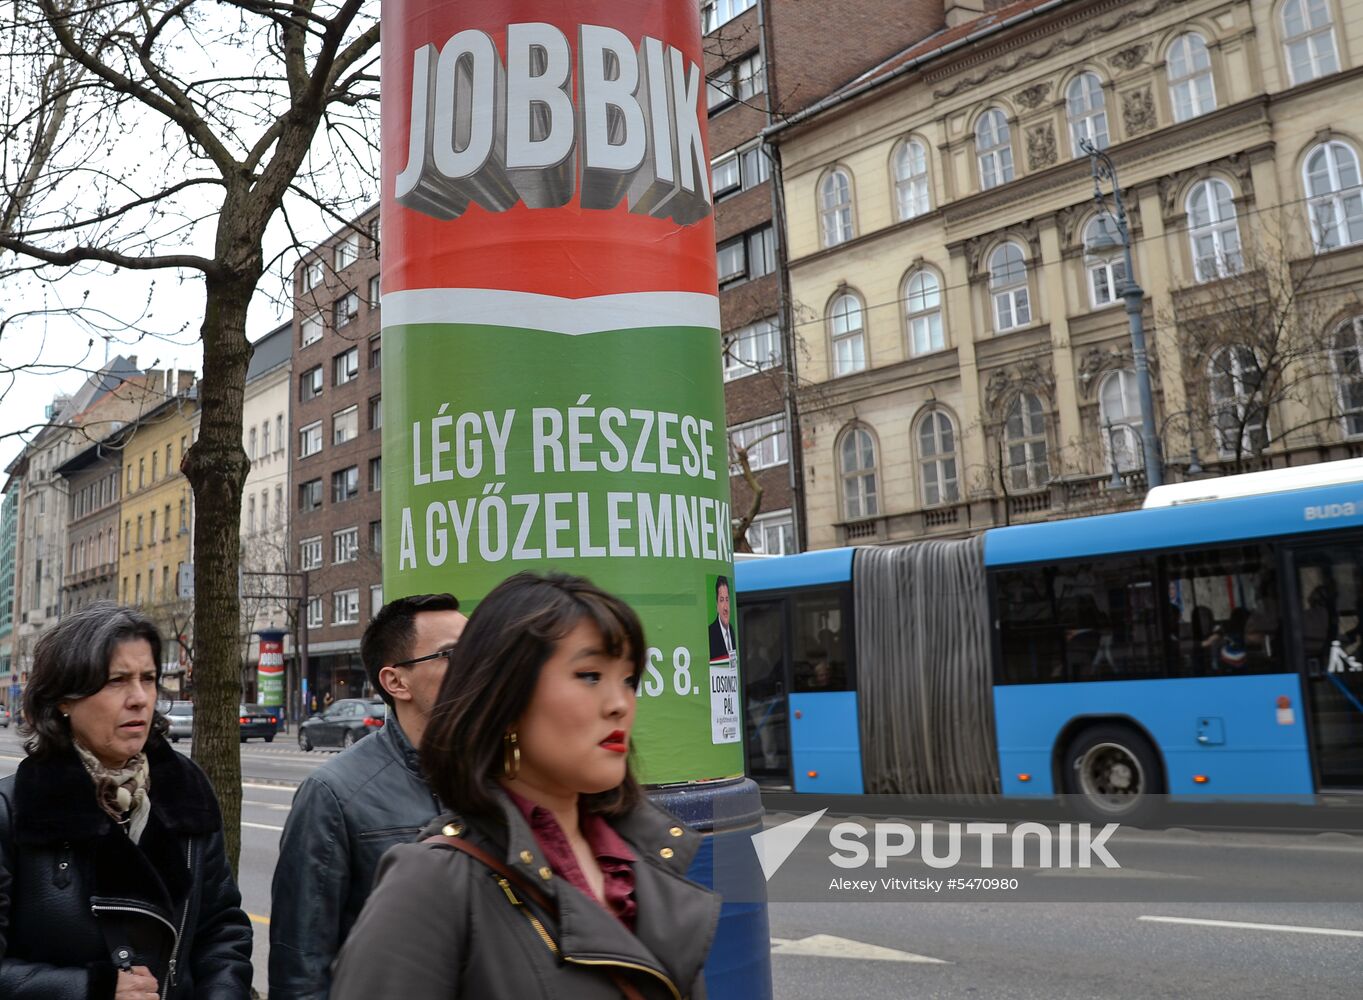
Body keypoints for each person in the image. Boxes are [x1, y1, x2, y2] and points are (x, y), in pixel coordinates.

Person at [330, 573, 720, 1000]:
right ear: (506, 696)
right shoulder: (431, 884)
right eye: (589, 675)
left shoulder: (640, 857)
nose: (620, 703)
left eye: (628, 679)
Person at [0, 602, 252, 1000]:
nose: (139, 698)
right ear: (65, 697)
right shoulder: (14, 810)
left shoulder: (184, 793)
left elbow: (221, 929)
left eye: (148, 679)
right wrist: (90, 989)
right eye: (117, 680)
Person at [268, 593, 467, 1000]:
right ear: (396, 681)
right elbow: (302, 970)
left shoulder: (504, 776)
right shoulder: (333, 795)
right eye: (451, 654)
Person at [708, 574, 735, 663]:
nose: (725, 608)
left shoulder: (732, 631)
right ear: (717, 605)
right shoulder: (710, 634)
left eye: (727, 600)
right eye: (722, 600)